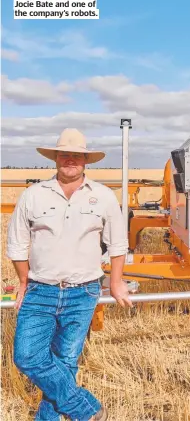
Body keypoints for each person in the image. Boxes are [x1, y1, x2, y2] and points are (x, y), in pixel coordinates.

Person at [7, 128, 133, 421]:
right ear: (56, 158)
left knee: (65, 361)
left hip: (83, 291)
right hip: (41, 289)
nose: (71, 160)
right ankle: (85, 409)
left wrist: (115, 281)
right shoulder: (33, 195)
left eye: (77, 155)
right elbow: (17, 244)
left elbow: (118, 243)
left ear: (86, 160)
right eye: (65, 154)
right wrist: (24, 281)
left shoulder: (102, 196)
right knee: (26, 356)